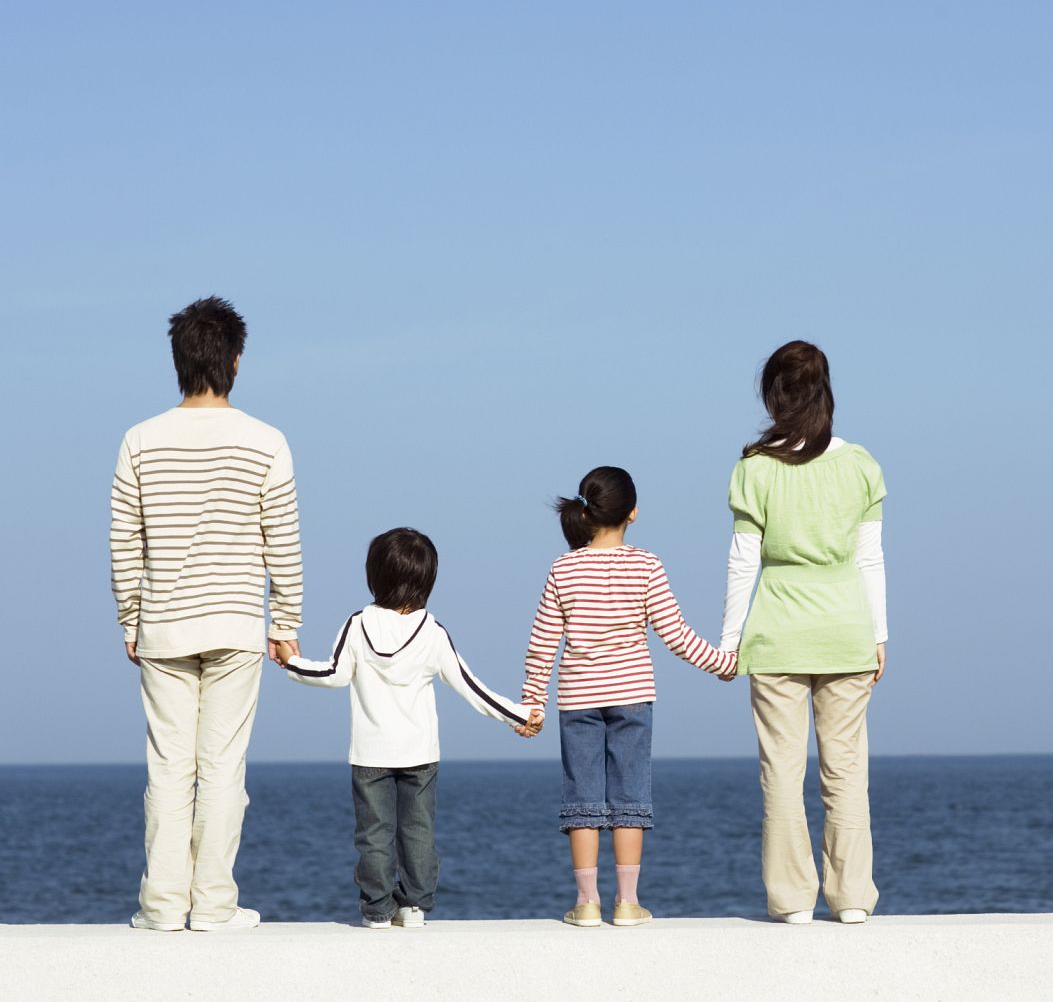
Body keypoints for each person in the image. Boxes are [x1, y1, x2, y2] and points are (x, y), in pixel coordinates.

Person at [110, 296, 303, 932]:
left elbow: (124, 539)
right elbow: (284, 539)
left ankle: (162, 906)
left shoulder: (140, 440)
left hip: (164, 624)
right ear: (236, 362)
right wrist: (285, 624)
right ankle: (214, 905)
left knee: (168, 768)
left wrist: (130, 617)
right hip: (237, 624)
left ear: (177, 360)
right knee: (223, 771)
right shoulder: (266, 441)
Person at [281, 528, 538, 929]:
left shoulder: (357, 624)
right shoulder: (432, 632)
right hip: (419, 753)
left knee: (374, 835)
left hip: (369, 753)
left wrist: (291, 662)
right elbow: (471, 687)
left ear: (374, 575)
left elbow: (331, 673)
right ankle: (414, 906)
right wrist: (518, 715)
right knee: (418, 833)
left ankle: (378, 910)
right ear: (427, 580)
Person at [522, 466, 738, 927]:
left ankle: (585, 903)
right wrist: (723, 663)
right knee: (630, 796)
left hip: (577, 697)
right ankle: (626, 902)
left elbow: (542, 645)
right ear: (632, 513)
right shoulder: (646, 565)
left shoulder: (563, 568)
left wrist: (532, 703)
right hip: (633, 694)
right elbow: (675, 635)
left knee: (582, 798)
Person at [721, 340, 887, 925]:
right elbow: (871, 559)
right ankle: (850, 898)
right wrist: (880, 634)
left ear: (774, 394)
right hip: (847, 630)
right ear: (824, 390)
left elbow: (744, 561)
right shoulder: (861, 464)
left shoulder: (756, 468)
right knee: (846, 771)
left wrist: (728, 639)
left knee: (782, 773)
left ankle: (792, 900)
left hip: (776, 634)